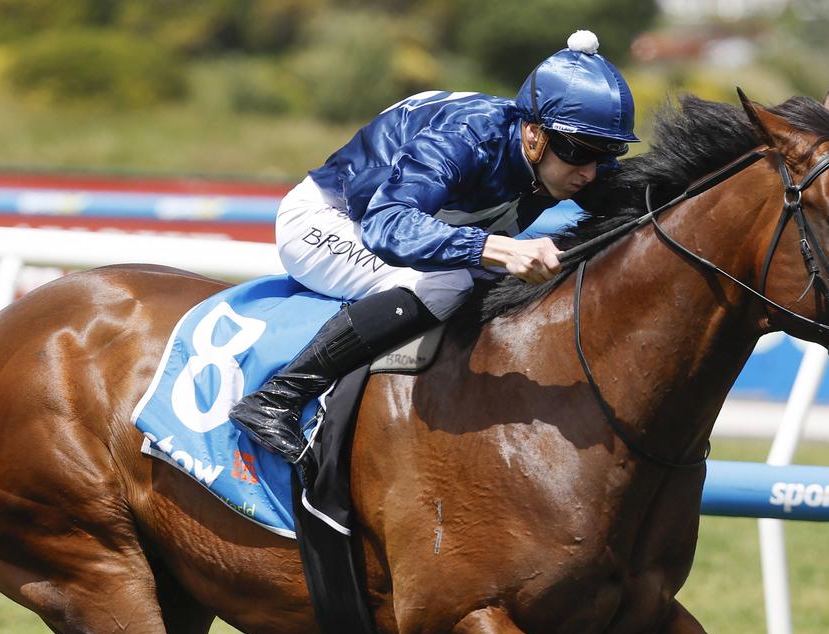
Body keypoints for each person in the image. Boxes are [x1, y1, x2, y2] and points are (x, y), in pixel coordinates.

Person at [230, 30, 639, 463]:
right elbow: (387, 224)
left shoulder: (566, 158)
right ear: (534, 135)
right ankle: (279, 396)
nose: (591, 173)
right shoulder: (465, 137)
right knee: (447, 283)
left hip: (397, 226)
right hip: (329, 220)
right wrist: (498, 248)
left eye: (606, 154)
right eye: (580, 152)